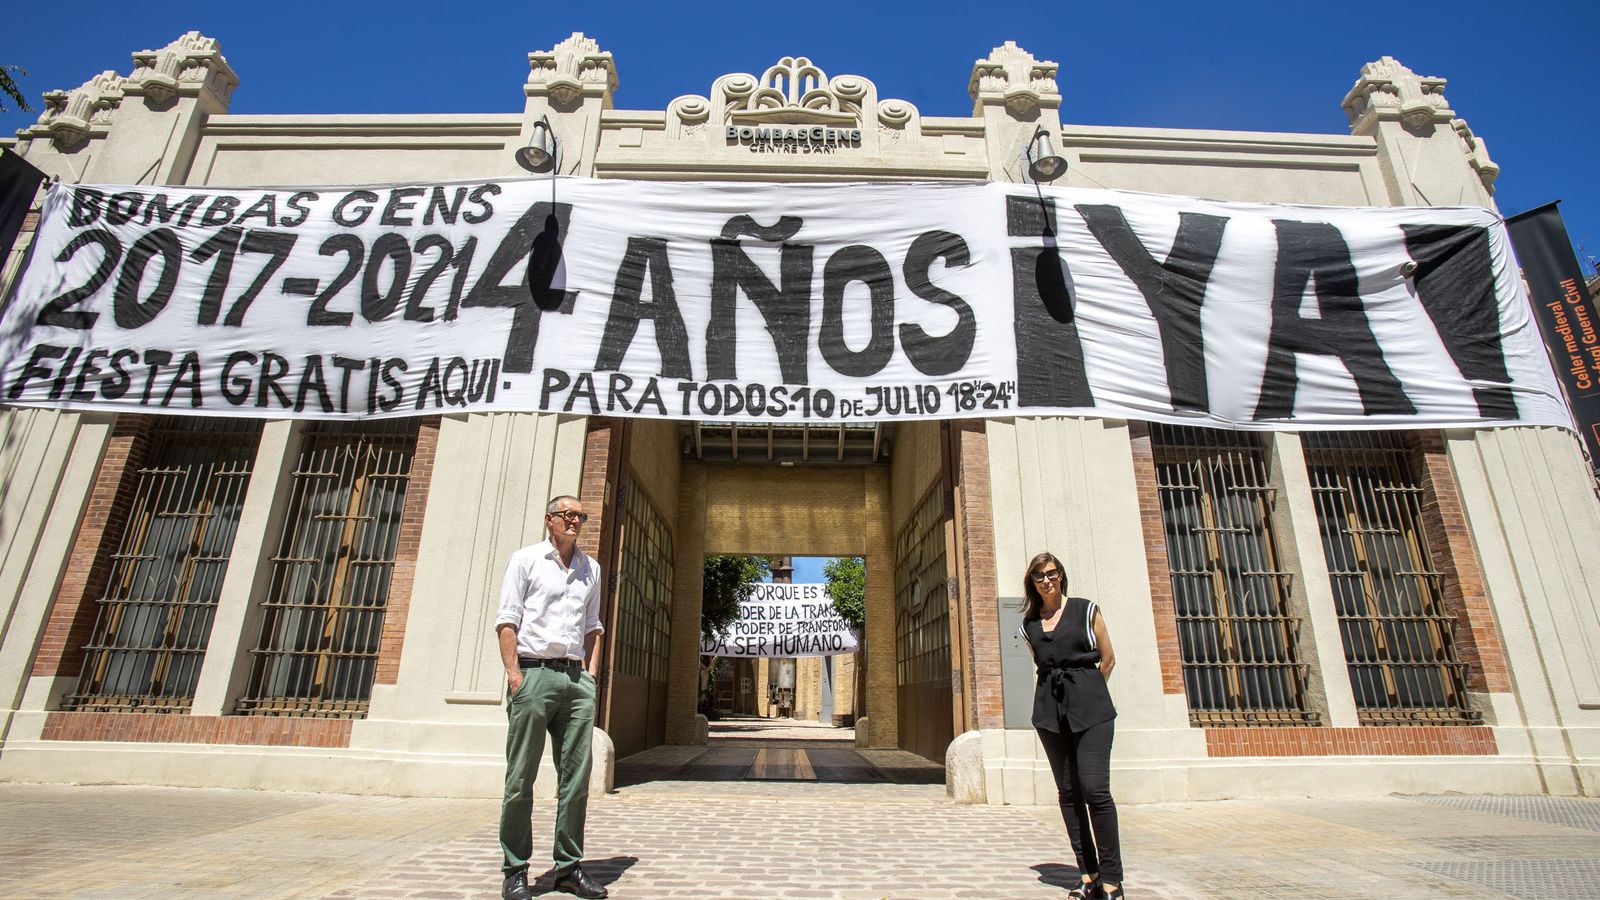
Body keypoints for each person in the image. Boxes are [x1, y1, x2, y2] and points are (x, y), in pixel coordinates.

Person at [495, 495, 608, 900]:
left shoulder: (590, 568)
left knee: (576, 780)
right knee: (520, 779)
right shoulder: (525, 560)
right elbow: (507, 620)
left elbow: (594, 626)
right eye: (568, 514)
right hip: (533, 676)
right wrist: (515, 677)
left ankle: (568, 868)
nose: (575, 520)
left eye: (580, 515)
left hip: (575, 682)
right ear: (550, 520)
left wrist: (591, 679)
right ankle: (515, 869)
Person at [1021, 552, 1123, 899]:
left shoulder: (1085, 610)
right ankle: (1089, 874)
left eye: (1051, 573)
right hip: (1051, 715)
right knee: (1068, 794)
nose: (1047, 580)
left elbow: (1107, 659)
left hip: (1092, 711)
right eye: (1039, 576)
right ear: (1032, 583)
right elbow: (1042, 665)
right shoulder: (1029, 624)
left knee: (1095, 790)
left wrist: (1089, 693)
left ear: (1061, 575)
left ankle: (1112, 880)